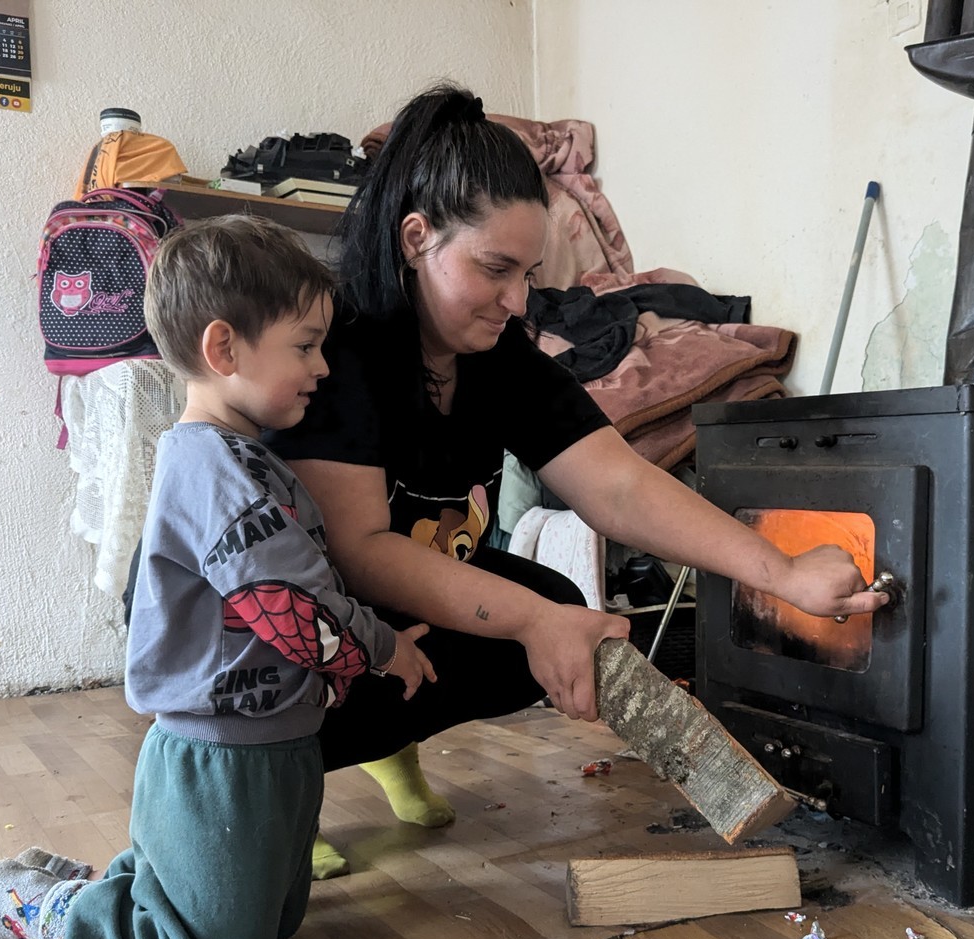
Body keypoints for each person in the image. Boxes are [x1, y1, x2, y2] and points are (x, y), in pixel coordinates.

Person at [262, 84, 888, 881]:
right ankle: (282, 771)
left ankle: (389, 742)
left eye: (527, 273)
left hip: (394, 600)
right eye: (494, 270)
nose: (516, 301)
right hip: (284, 613)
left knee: (562, 617)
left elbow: (618, 487)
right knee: (529, 621)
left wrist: (784, 570)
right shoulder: (341, 353)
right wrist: (530, 621)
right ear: (416, 238)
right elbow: (358, 551)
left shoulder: (496, 354)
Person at [0, 215, 434, 939]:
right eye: (304, 346)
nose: (323, 367)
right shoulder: (210, 468)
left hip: (276, 744)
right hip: (220, 757)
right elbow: (287, 601)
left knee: (266, 923)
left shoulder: (246, 461)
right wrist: (381, 646)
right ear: (224, 350)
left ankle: (73, 887)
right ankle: (23, 906)